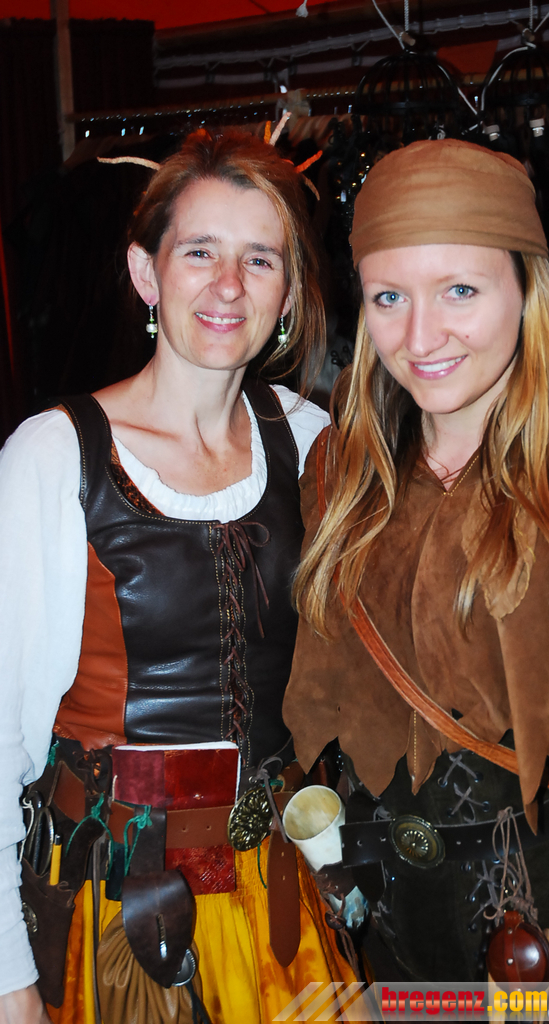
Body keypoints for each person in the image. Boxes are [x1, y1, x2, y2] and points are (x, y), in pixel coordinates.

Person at [282, 139, 549, 1014]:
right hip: (388, 959)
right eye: (389, 297)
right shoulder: (340, 476)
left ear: (526, 289)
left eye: (459, 290)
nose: (420, 337)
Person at [0, 127, 355, 1024]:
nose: (228, 285)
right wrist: (9, 982)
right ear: (145, 273)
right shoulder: (55, 457)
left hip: (280, 896)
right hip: (113, 908)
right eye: (200, 251)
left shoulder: (312, 440)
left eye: (260, 259)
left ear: (288, 293)